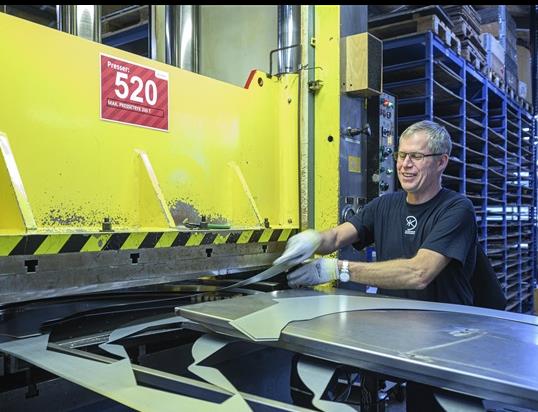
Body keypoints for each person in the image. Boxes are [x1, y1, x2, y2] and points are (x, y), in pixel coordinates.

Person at [274, 120, 478, 411]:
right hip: (391, 328)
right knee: (313, 360)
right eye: (401, 155)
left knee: (426, 405)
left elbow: (419, 273)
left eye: (416, 156)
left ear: (441, 162)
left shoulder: (456, 209)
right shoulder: (385, 205)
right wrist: (311, 240)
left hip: (442, 338)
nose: (405, 165)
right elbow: (337, 237)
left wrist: (337, 269)